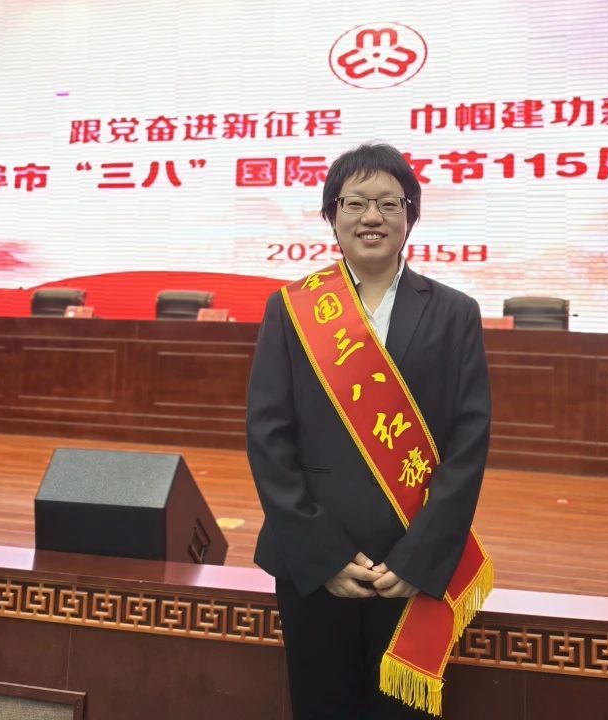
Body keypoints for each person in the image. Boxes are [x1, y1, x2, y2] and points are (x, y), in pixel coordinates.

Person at [246, 142, 493, 719]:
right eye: (354, 203)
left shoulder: (455, 312)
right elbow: (268, 436)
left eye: (388, 203)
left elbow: (467, 443)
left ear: (411, 215)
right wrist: (324, 555)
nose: (371, 217)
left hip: (412, 561)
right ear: (332, 215)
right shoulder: (292, 309)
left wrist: (418, 559)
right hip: (314, 561)